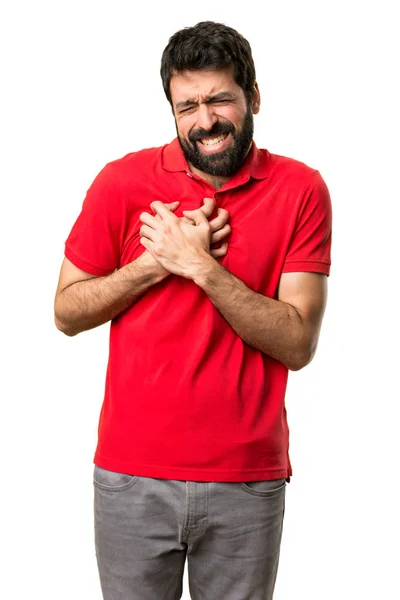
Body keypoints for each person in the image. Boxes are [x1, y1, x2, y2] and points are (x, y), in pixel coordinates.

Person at [54, 20, 332, 600]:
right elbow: (67, 311)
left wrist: (201, 266)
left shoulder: (301, 189)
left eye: (220, 99)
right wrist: (156, 264)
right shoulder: (122, 182)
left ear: (253, 96)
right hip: (132, 477)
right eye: (188, 106)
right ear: (173, 110)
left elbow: (298, 343)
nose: (205, 120)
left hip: (246, 481)